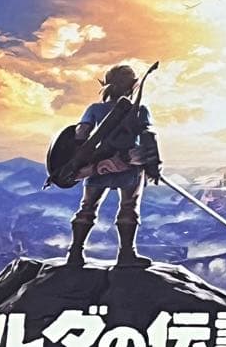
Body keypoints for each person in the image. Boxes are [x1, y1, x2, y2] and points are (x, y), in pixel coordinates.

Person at [67, 64, 161, 267]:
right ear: (132, 86)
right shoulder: (139, 110)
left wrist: (80, 162)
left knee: (87, 208)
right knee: (129, 208)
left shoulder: (94, 109)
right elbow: (148, 137)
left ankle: (75, 253)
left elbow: (80, 135)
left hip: (97, 165)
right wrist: (153, 165)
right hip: (129, 166)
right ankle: (127, 255)